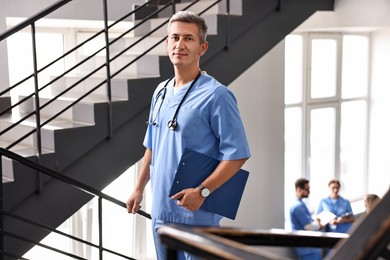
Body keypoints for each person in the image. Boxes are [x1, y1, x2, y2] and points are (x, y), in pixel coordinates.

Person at [126, 10, 251, 259]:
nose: (179, 45)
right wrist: (138, 188)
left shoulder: (217, 96)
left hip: (197, 211)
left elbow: (237, 155)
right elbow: (153, 145)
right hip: (161, 210)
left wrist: (203, 192)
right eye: (174, 38)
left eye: (188, 38)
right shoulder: (160, 92)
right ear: (167, 43)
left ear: (202, 47)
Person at [290, 178, 323, 260]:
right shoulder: (298, 207)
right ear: (299, 190)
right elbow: (308, 227)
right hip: (307, 248)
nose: (309, 191)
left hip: (309, 247)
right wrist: (319, 224)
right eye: (307, 189)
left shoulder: (300, 204)